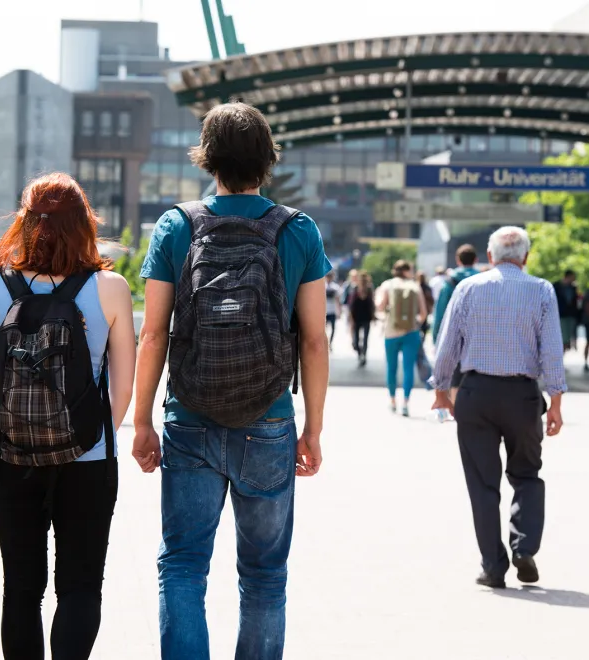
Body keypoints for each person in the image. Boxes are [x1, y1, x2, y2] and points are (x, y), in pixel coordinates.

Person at [132, 101, 330, 660]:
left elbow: (153, 335)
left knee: (183, 565)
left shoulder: (177, 225)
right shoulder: (297, 230)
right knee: (265, 576)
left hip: (189, 420)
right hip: (268, 422)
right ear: (267, 159)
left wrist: (142, 420)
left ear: (207, 158)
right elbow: (314, 341)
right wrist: (312, 428)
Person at [0, 172, 135, 659]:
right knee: (80, 586)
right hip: (86, 457)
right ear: (84, 225)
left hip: (10, 455)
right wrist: (85, 432)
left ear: (24, 223)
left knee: (21, 588)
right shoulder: (110, 288)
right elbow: (123, 388)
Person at [431, 227, 566, 590]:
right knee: (526, 475)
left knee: (482, 483)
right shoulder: (541, 290)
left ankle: (493, 566)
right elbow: (551, 349)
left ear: (489, 257)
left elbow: (447, 345)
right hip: (523, 396)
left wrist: (441, 388)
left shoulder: (468, 288)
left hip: (476, 394)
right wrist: (556, 401)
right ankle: (524, 547)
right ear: (525, 257)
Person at [376, 260, 428, 417]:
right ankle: (405, 403)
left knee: (391, 368)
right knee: (408, 369)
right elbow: (424, 313)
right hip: (411, 332)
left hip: (391, 332)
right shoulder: (415, 286)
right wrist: (415, 323)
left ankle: (392, 401)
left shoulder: (387, 285)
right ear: (406, 271)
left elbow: (379, 306)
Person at [432, 245, 480, 408]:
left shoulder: (448, 282)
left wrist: (436, 338)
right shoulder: (483, 281)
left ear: (458, 260)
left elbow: (440, 313)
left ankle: (456, 406)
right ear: (476, 260)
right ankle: (472, 404)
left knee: (455, 370)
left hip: (455, 332)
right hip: (477, 333)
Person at [349, 272, 375, 367]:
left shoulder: (369, 289)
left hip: (366, 316)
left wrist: (373, 315)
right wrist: (351, 317)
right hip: (356, 316)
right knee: (356, 340)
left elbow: (372, 303)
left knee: (365, 338)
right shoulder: (355, 289)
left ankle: (364, 355)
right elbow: (351, 304)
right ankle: (360, 353)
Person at [554, 270, 582, 351]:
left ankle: (568, 347)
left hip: (571, 315)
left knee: (568, 337)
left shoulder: (573, 288)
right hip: (560, 315)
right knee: (562, 338)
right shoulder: (556, 286)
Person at [325, 271, 343, 349]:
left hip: (332, 310)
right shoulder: (323, 286)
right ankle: (326, 342)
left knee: (333, 328)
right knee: (324, 329)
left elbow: (338, 300)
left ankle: (330, 342)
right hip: (324, 311)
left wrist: (339, 311)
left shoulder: (335, 287)